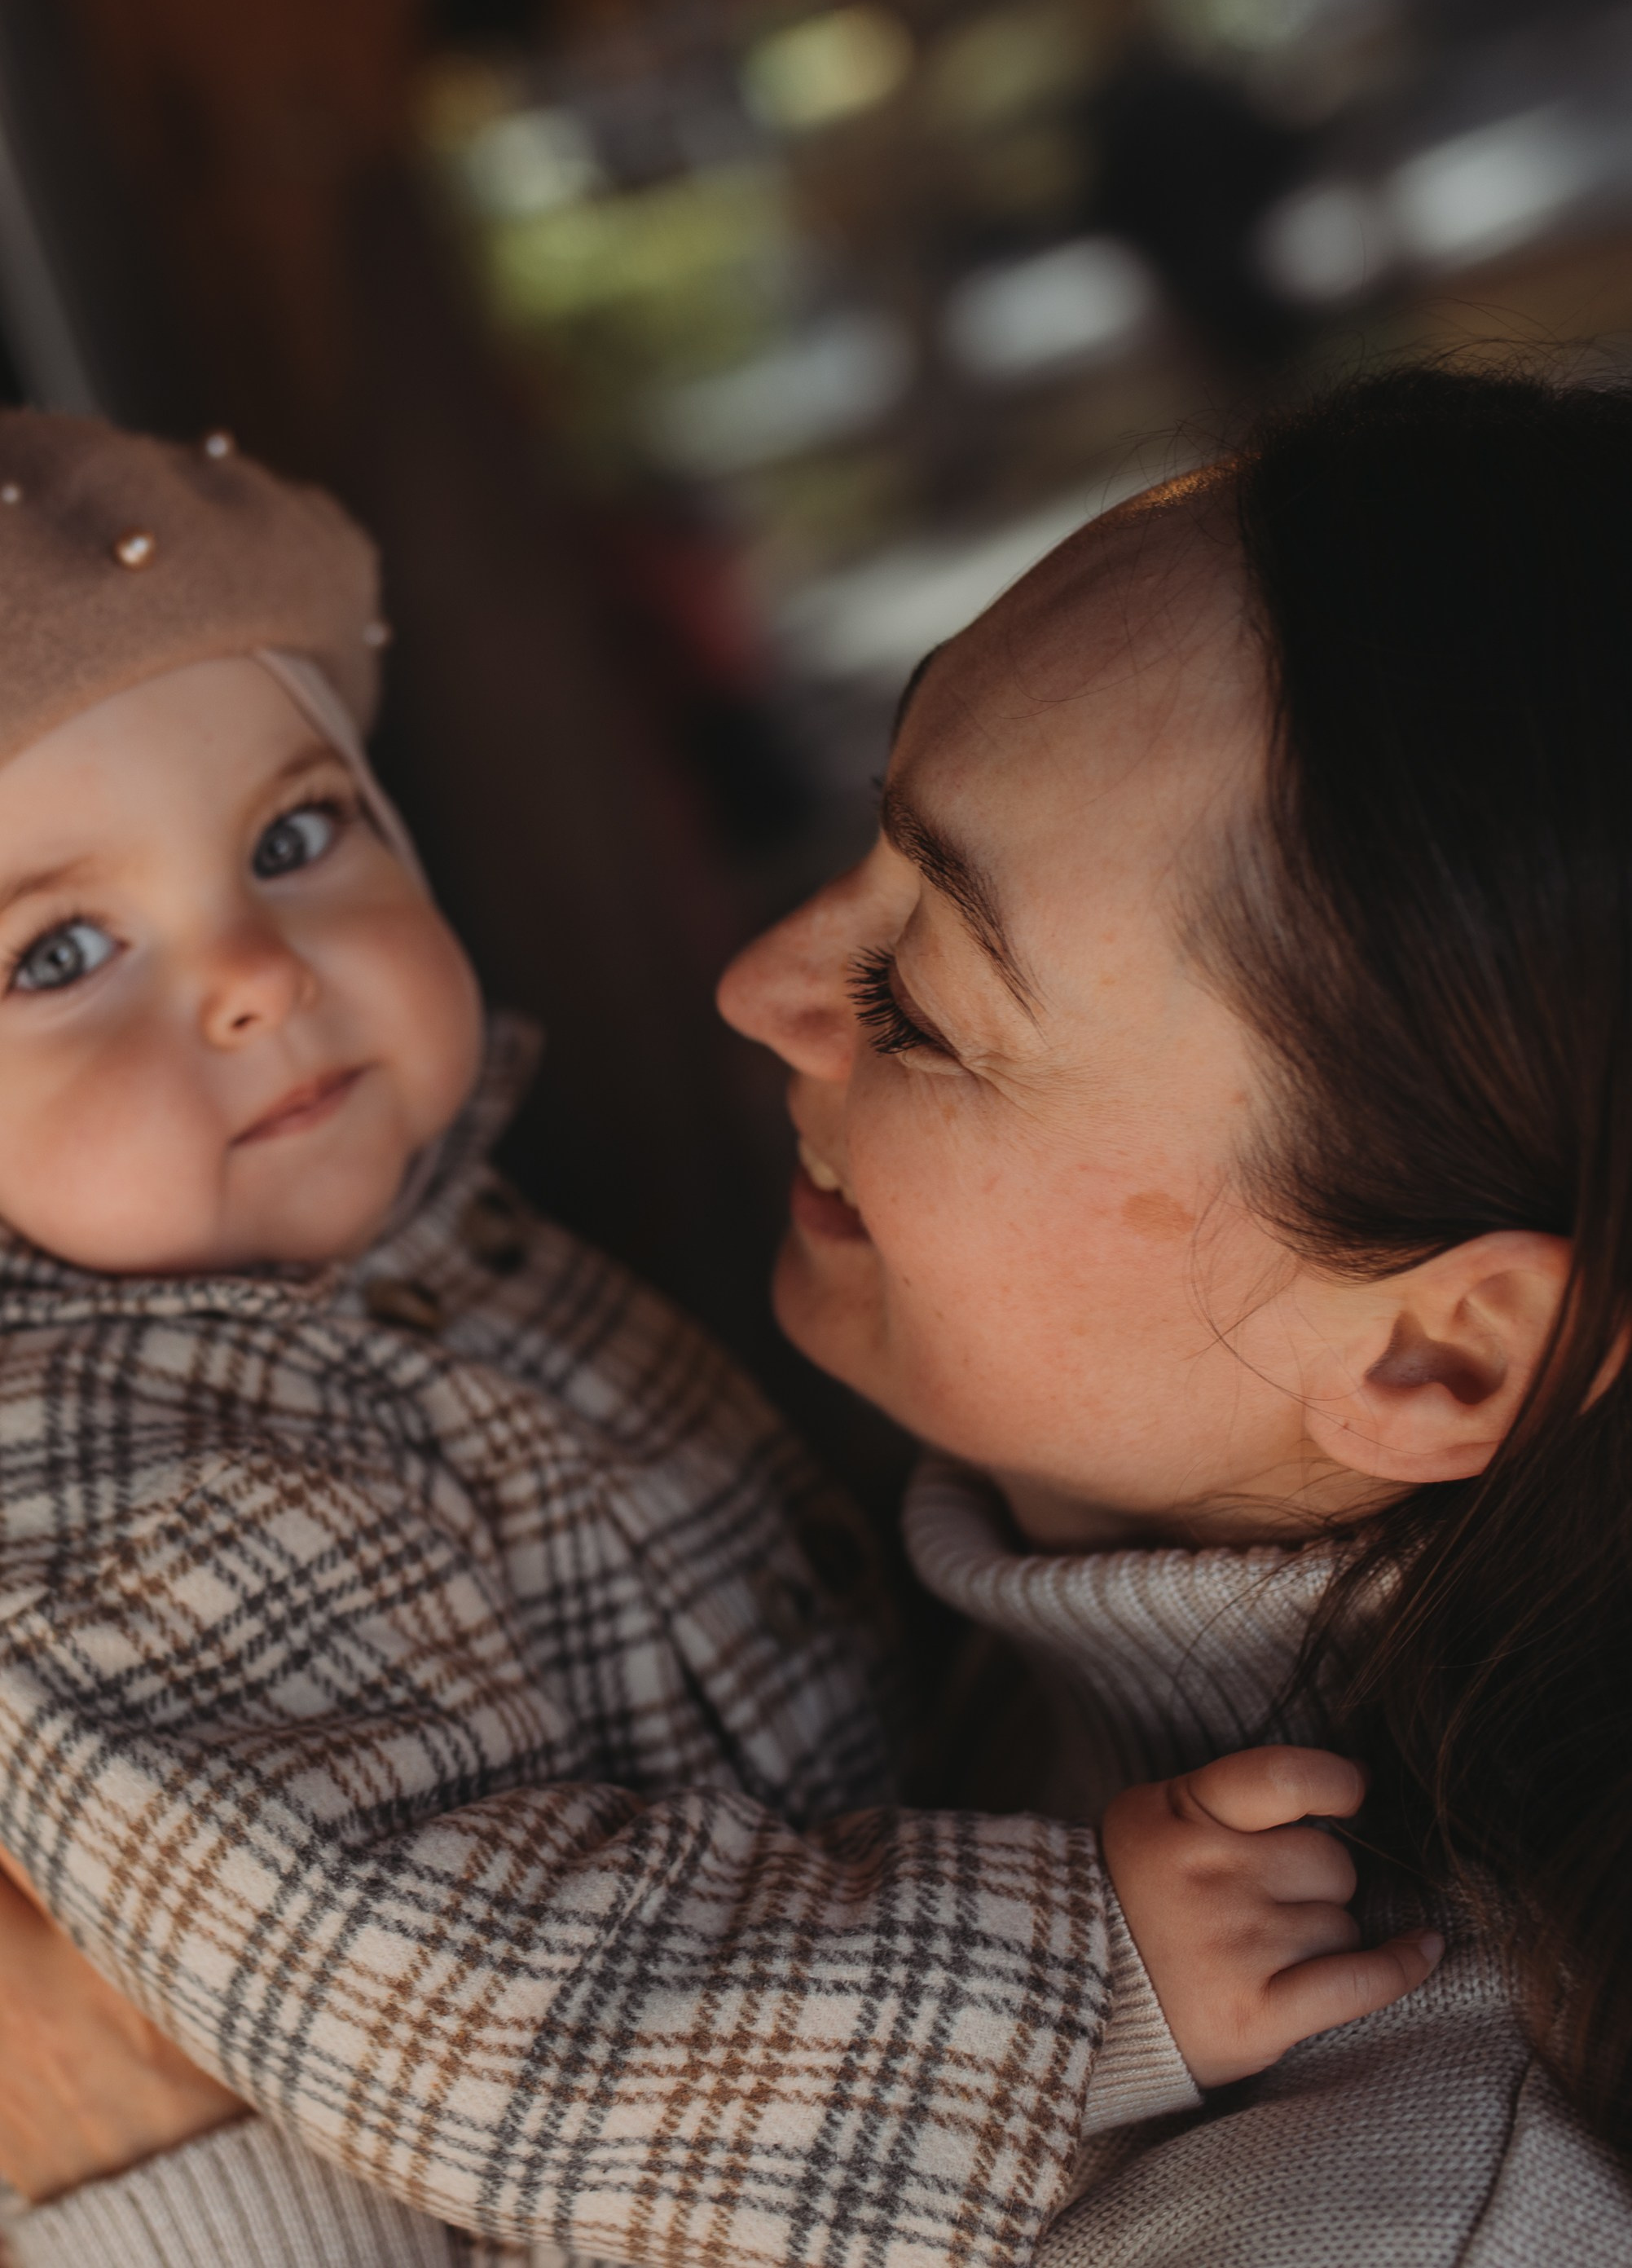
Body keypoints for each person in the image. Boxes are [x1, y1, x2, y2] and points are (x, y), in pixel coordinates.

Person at [0, 409, 1424, 2268]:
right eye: (52, 955)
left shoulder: (441, 1265)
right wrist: (1082, 1980)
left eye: (294, 832)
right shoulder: (108, 1484)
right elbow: (444, 1995)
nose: (258, 972)